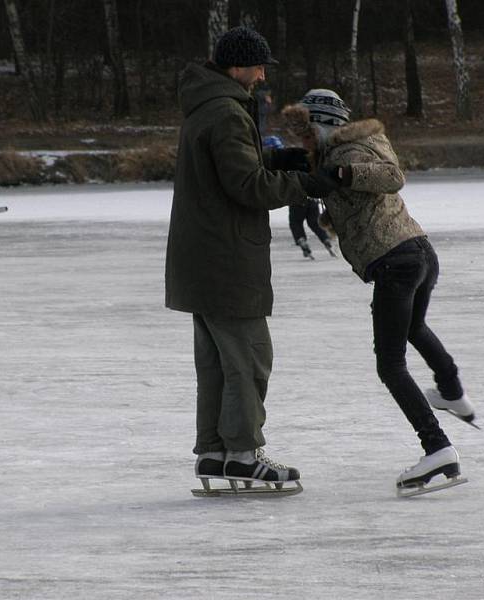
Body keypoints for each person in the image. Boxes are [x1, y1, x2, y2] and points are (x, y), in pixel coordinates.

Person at [165, 28, 343, 491]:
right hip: (226, 256)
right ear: (236, 66)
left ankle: (214, 452)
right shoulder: (226, 111)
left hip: (200, 256)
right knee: (249, 357)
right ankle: (243, 453)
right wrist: (307, 185)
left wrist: (279, 161)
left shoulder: (207, 104)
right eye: (258, 66)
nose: (263, 75)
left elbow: (235, 167)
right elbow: (247, 187)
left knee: (219, 362)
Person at [282, 89, 476, 494]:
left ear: (323, 124)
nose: (302, 141)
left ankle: (438, 447)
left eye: (305, 133)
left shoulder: (350, 148)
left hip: (397, 262)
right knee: (413, 327)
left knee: (390, 364)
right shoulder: (346, 148)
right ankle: (452, 389)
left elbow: (391, 177)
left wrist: (339, 178)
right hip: (417, 252)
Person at [263, 135, 336, 260]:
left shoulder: (277, 161)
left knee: (296, 222)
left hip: (298, 196)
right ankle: (325, 239)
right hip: (311, 196)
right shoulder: (294, 156)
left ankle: (302, 241)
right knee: (314, 222)